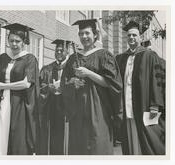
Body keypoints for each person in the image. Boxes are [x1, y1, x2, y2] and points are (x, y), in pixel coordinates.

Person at [61, 19, 123, 155]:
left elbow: (112, 84)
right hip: (78, 111)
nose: (84, 37)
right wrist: (73, 82)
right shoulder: (73, 58)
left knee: (97, 145)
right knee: (78, 146)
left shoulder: (104, 55)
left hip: (98, 109)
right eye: (81, 34)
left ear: (95, 35)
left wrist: (89, 73)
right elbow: (64, 84)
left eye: (87, 33)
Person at [0, 23, 40, 155]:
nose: (14, 44)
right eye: (11, 40)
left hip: (19, 104)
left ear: (24, 42)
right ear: (8, 40)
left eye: (18, 41)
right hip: (2, 102)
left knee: (17, 138)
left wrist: (3, 85)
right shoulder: (2, 58)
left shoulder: (29, 59)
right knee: (1, 133)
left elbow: (26, 84)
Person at [116, 20, 165, 155]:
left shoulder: (149, 56)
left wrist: (155, 104)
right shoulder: (121, 58)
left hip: (145, 105)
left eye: (134, 35)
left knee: (148, 137)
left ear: (141, 37)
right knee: (129, 136)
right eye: (129, 35)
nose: (131, 38)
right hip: (127, 104)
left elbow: (156, 81)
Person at [37, 39, 72, 155]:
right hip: (50, 110)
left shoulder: (72, 68)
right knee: (51, 140)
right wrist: (48, 87)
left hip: (66, 110)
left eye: (62, 50)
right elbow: (39, 87)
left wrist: (66, 88)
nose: (59, 52)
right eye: (57, 50)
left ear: (67, 51)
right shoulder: (47, 69)